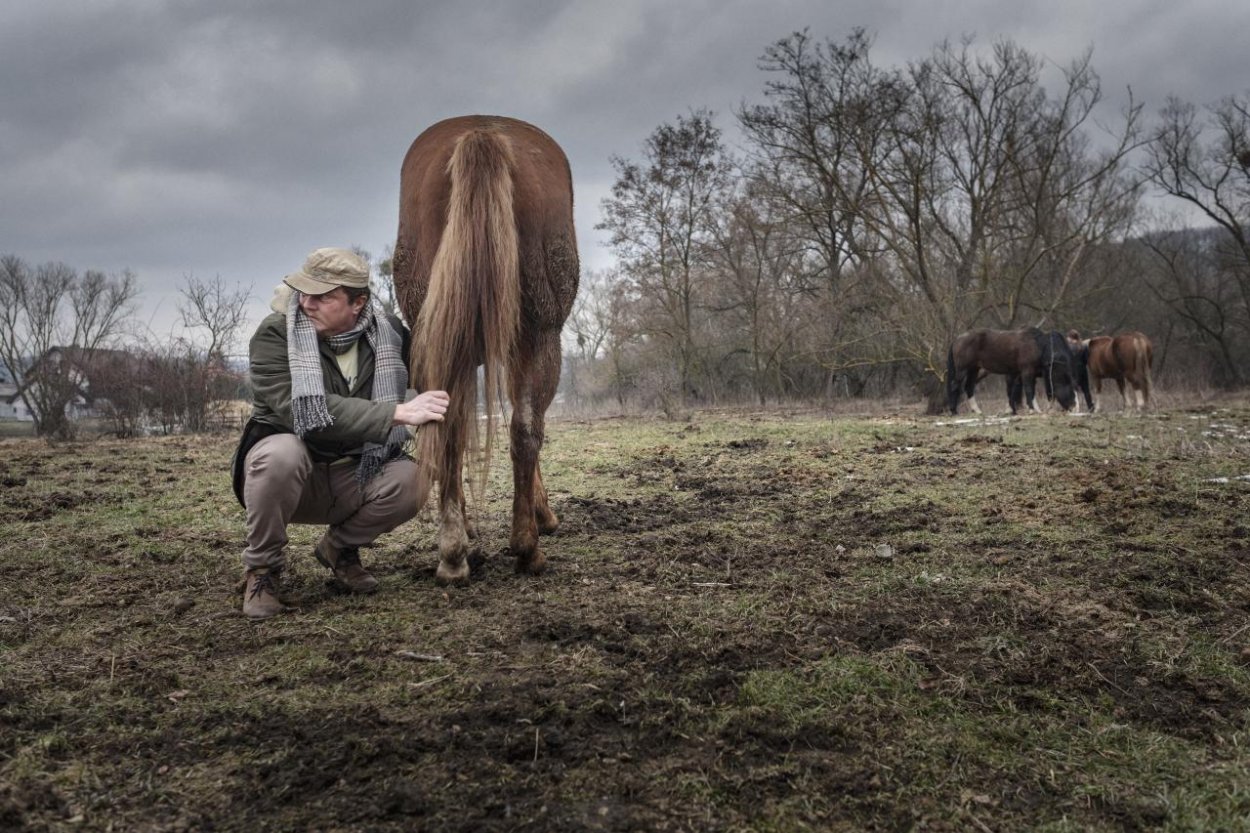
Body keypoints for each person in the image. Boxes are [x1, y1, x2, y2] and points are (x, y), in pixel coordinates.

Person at [230, 247, 449, 619]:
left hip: (354, 473)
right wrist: (396, 412)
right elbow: (304, 412)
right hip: (293, 479)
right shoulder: (274, 334)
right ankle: (262, 572)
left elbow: (434, 370)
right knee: (280, 453)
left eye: (323, 296)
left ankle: (339, 549)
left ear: (357, 303)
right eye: (304, 292)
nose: (307, 303)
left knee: (414, 478)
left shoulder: (390, 334)